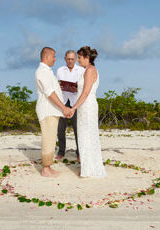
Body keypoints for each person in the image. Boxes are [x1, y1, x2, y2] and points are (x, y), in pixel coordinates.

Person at [68, 46, 106, 178]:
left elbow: (85, 93)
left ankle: (89, 169)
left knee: (87, 136)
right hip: (84, 106)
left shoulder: (90, 70)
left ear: (87, 58)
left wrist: (73, 107)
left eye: (79, 57)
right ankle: (87, 167)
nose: (78, 60)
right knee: (84, 136)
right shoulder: (87, 70)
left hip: (88, 106)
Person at [35, 47, 71, 178]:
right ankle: (45, 169)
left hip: (52, 110)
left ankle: (48, 167)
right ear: (46, 57)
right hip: (47, 110)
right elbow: (49, 93)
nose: (55, 59)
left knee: (51, 140)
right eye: (54, 57)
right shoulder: (42, 72)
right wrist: (64, 107)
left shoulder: (47, 71)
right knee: (48, 139)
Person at [56, 50, 85, 160]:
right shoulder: (59, 70)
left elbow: (83, 87)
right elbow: (56, 84)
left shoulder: (81, 70)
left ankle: (79, 152)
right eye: (68, 59)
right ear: (65, 59)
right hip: (63, 101)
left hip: (75, 101)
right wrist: (59, 87)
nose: (70, 61)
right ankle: (61, 151)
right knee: (60, 128)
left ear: (76, 59)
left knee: (77, 128)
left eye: (72, 59)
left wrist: (76, 88)